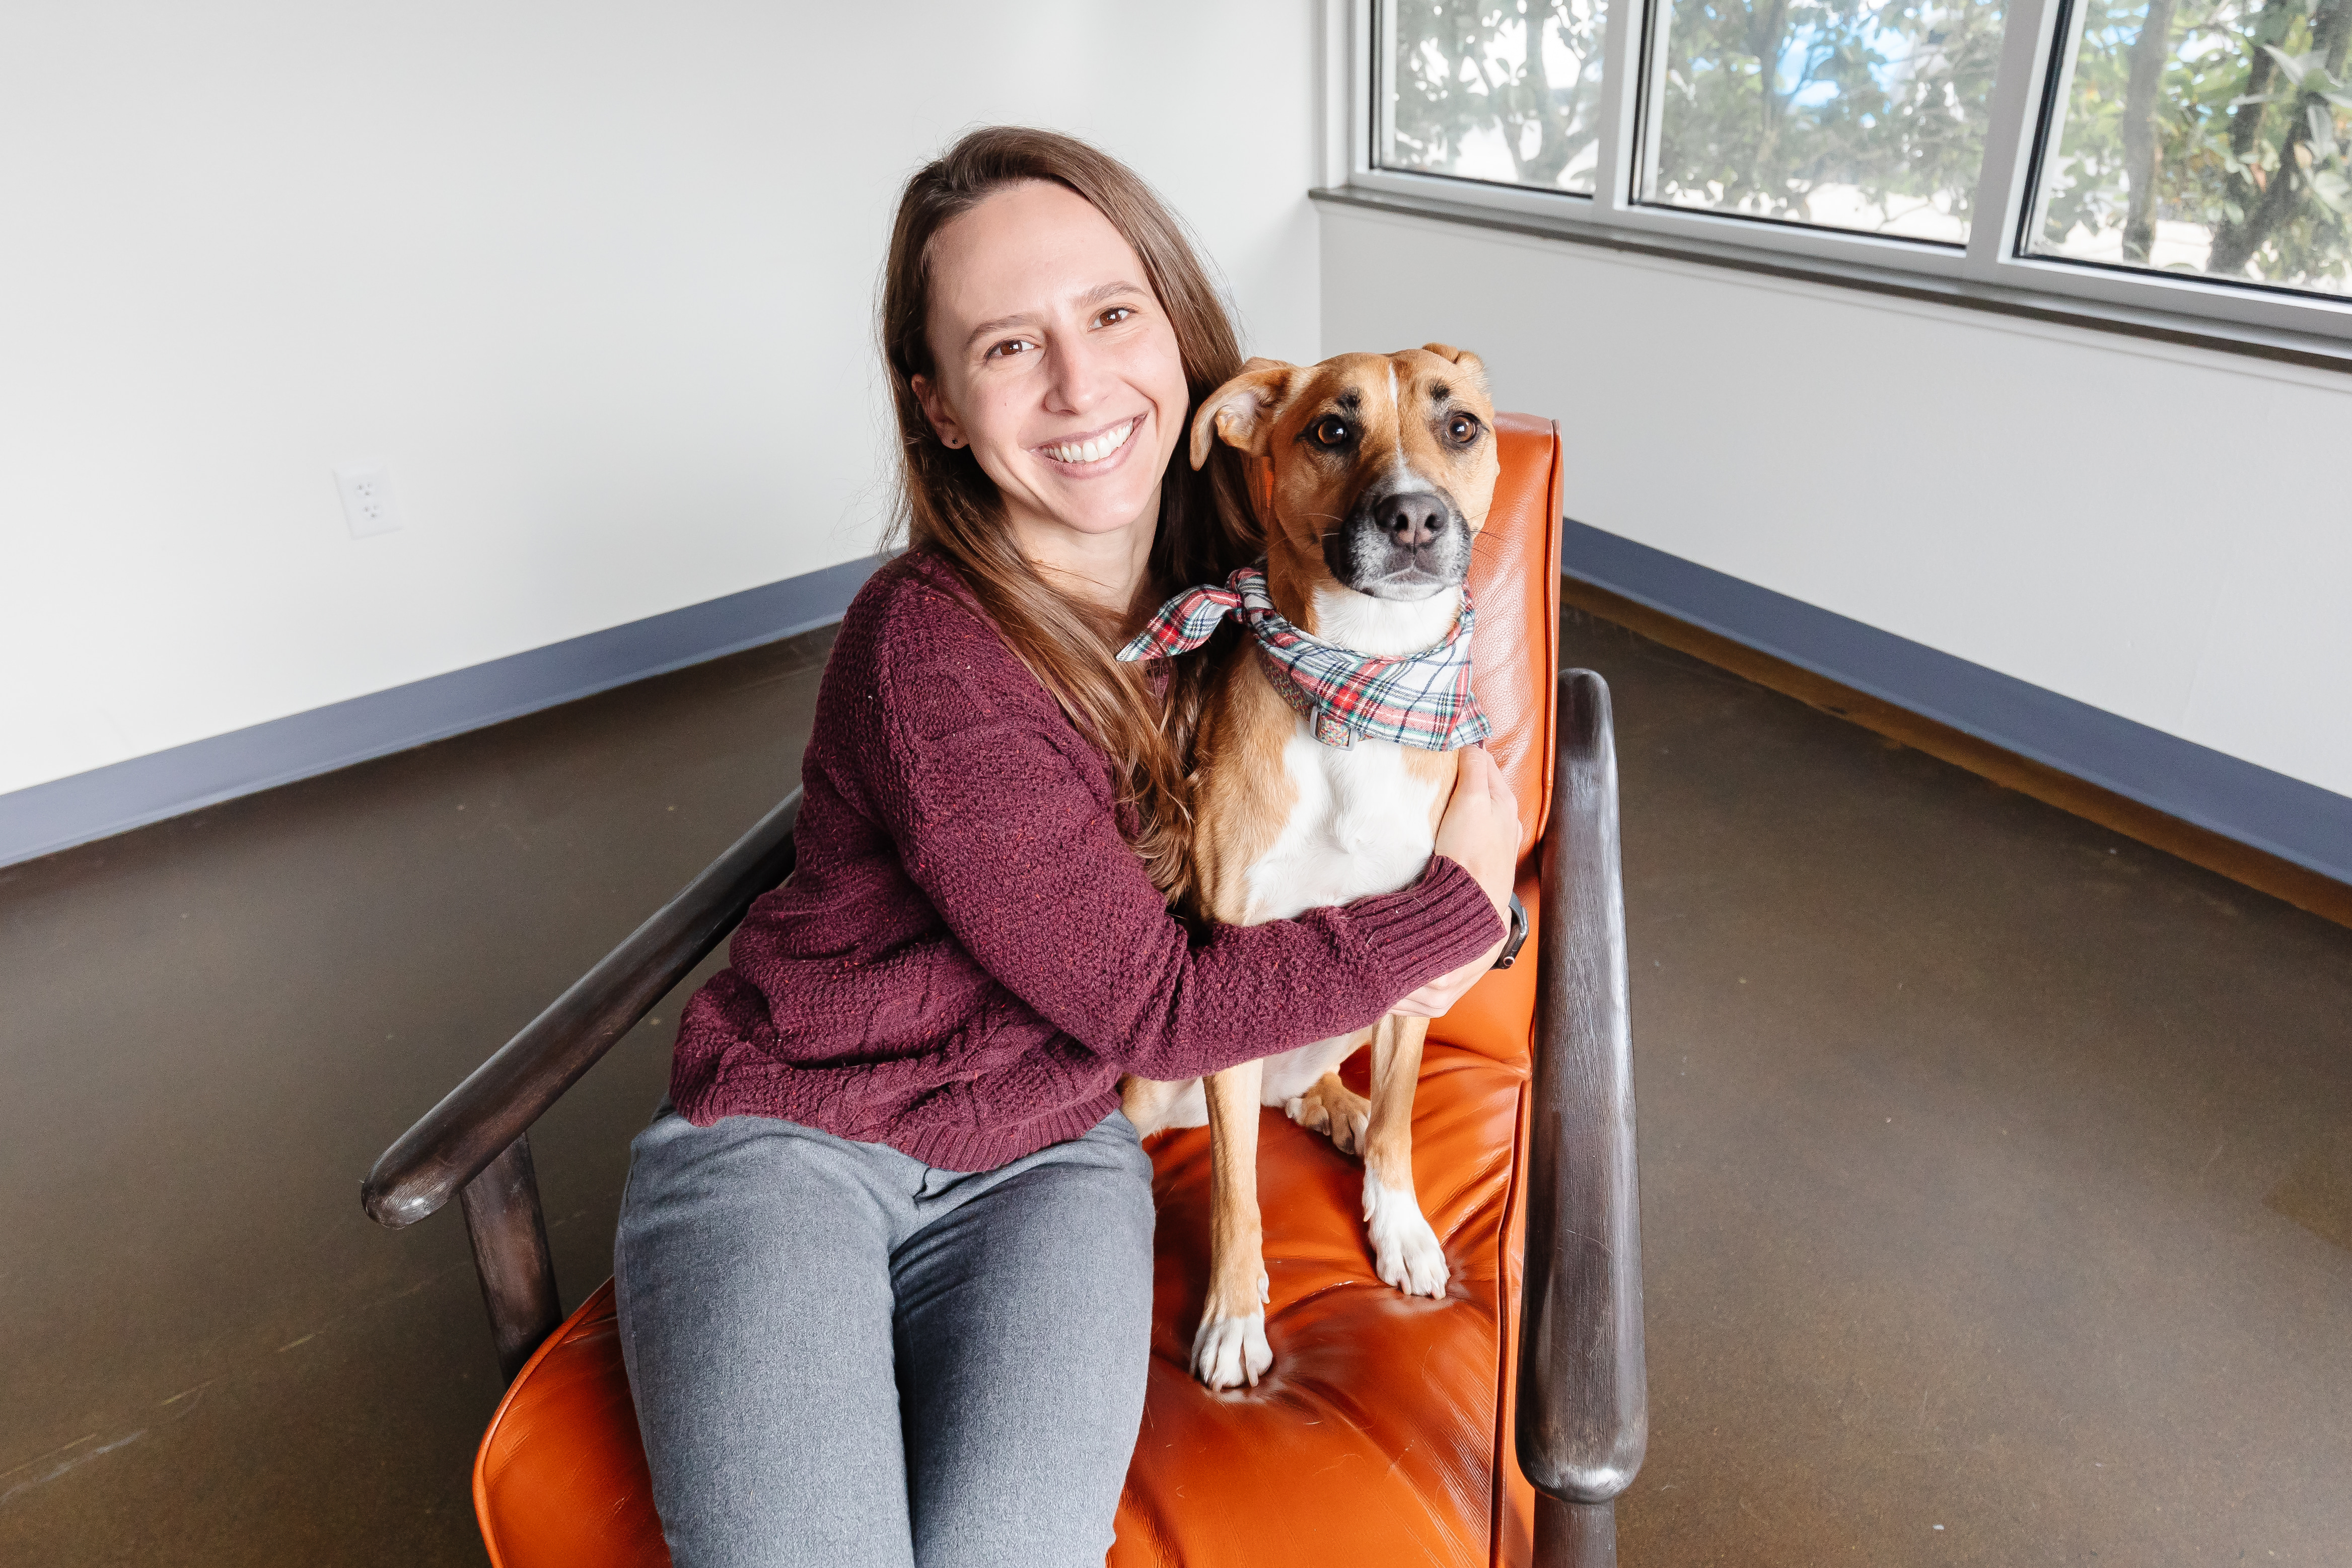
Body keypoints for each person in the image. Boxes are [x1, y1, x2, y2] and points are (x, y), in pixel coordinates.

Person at [612, 126, 1523, 1568]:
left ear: (1177, 332)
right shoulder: (933, 652)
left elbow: (1404, 719)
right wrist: (1462, 903)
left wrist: (1474, 844)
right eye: (1005, 347)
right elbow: (1163, 1005)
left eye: (1110, 315)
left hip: (1057, 1148)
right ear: (942, 409)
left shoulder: (1250, 596)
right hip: (800, 1143)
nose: (1083, 382)